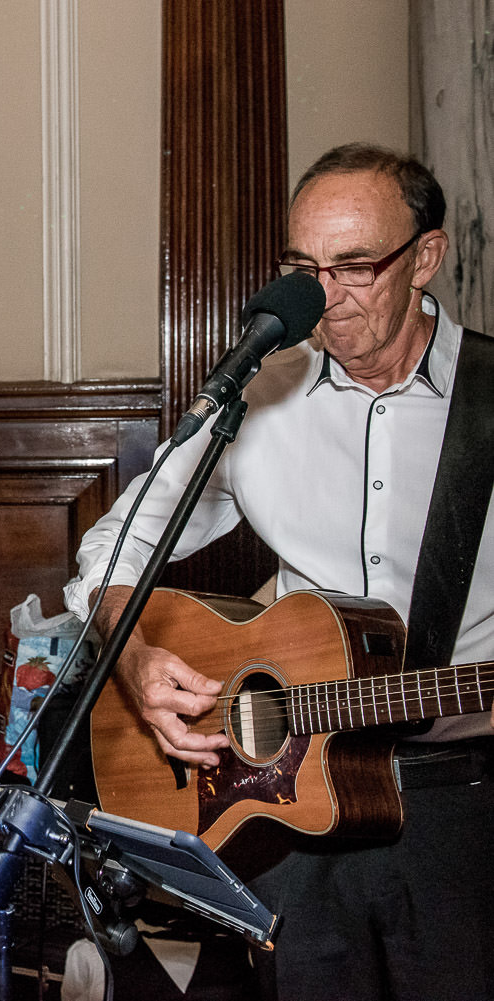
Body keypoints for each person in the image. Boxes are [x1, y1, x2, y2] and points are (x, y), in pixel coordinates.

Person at [64, 144, 494, 1000]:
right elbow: (113, 551)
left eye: (356, 265)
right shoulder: (259, 397)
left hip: (461, 802)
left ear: (427, 259)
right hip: (289, 805)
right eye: (303, 266)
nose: (324, 295)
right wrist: (140, 659)